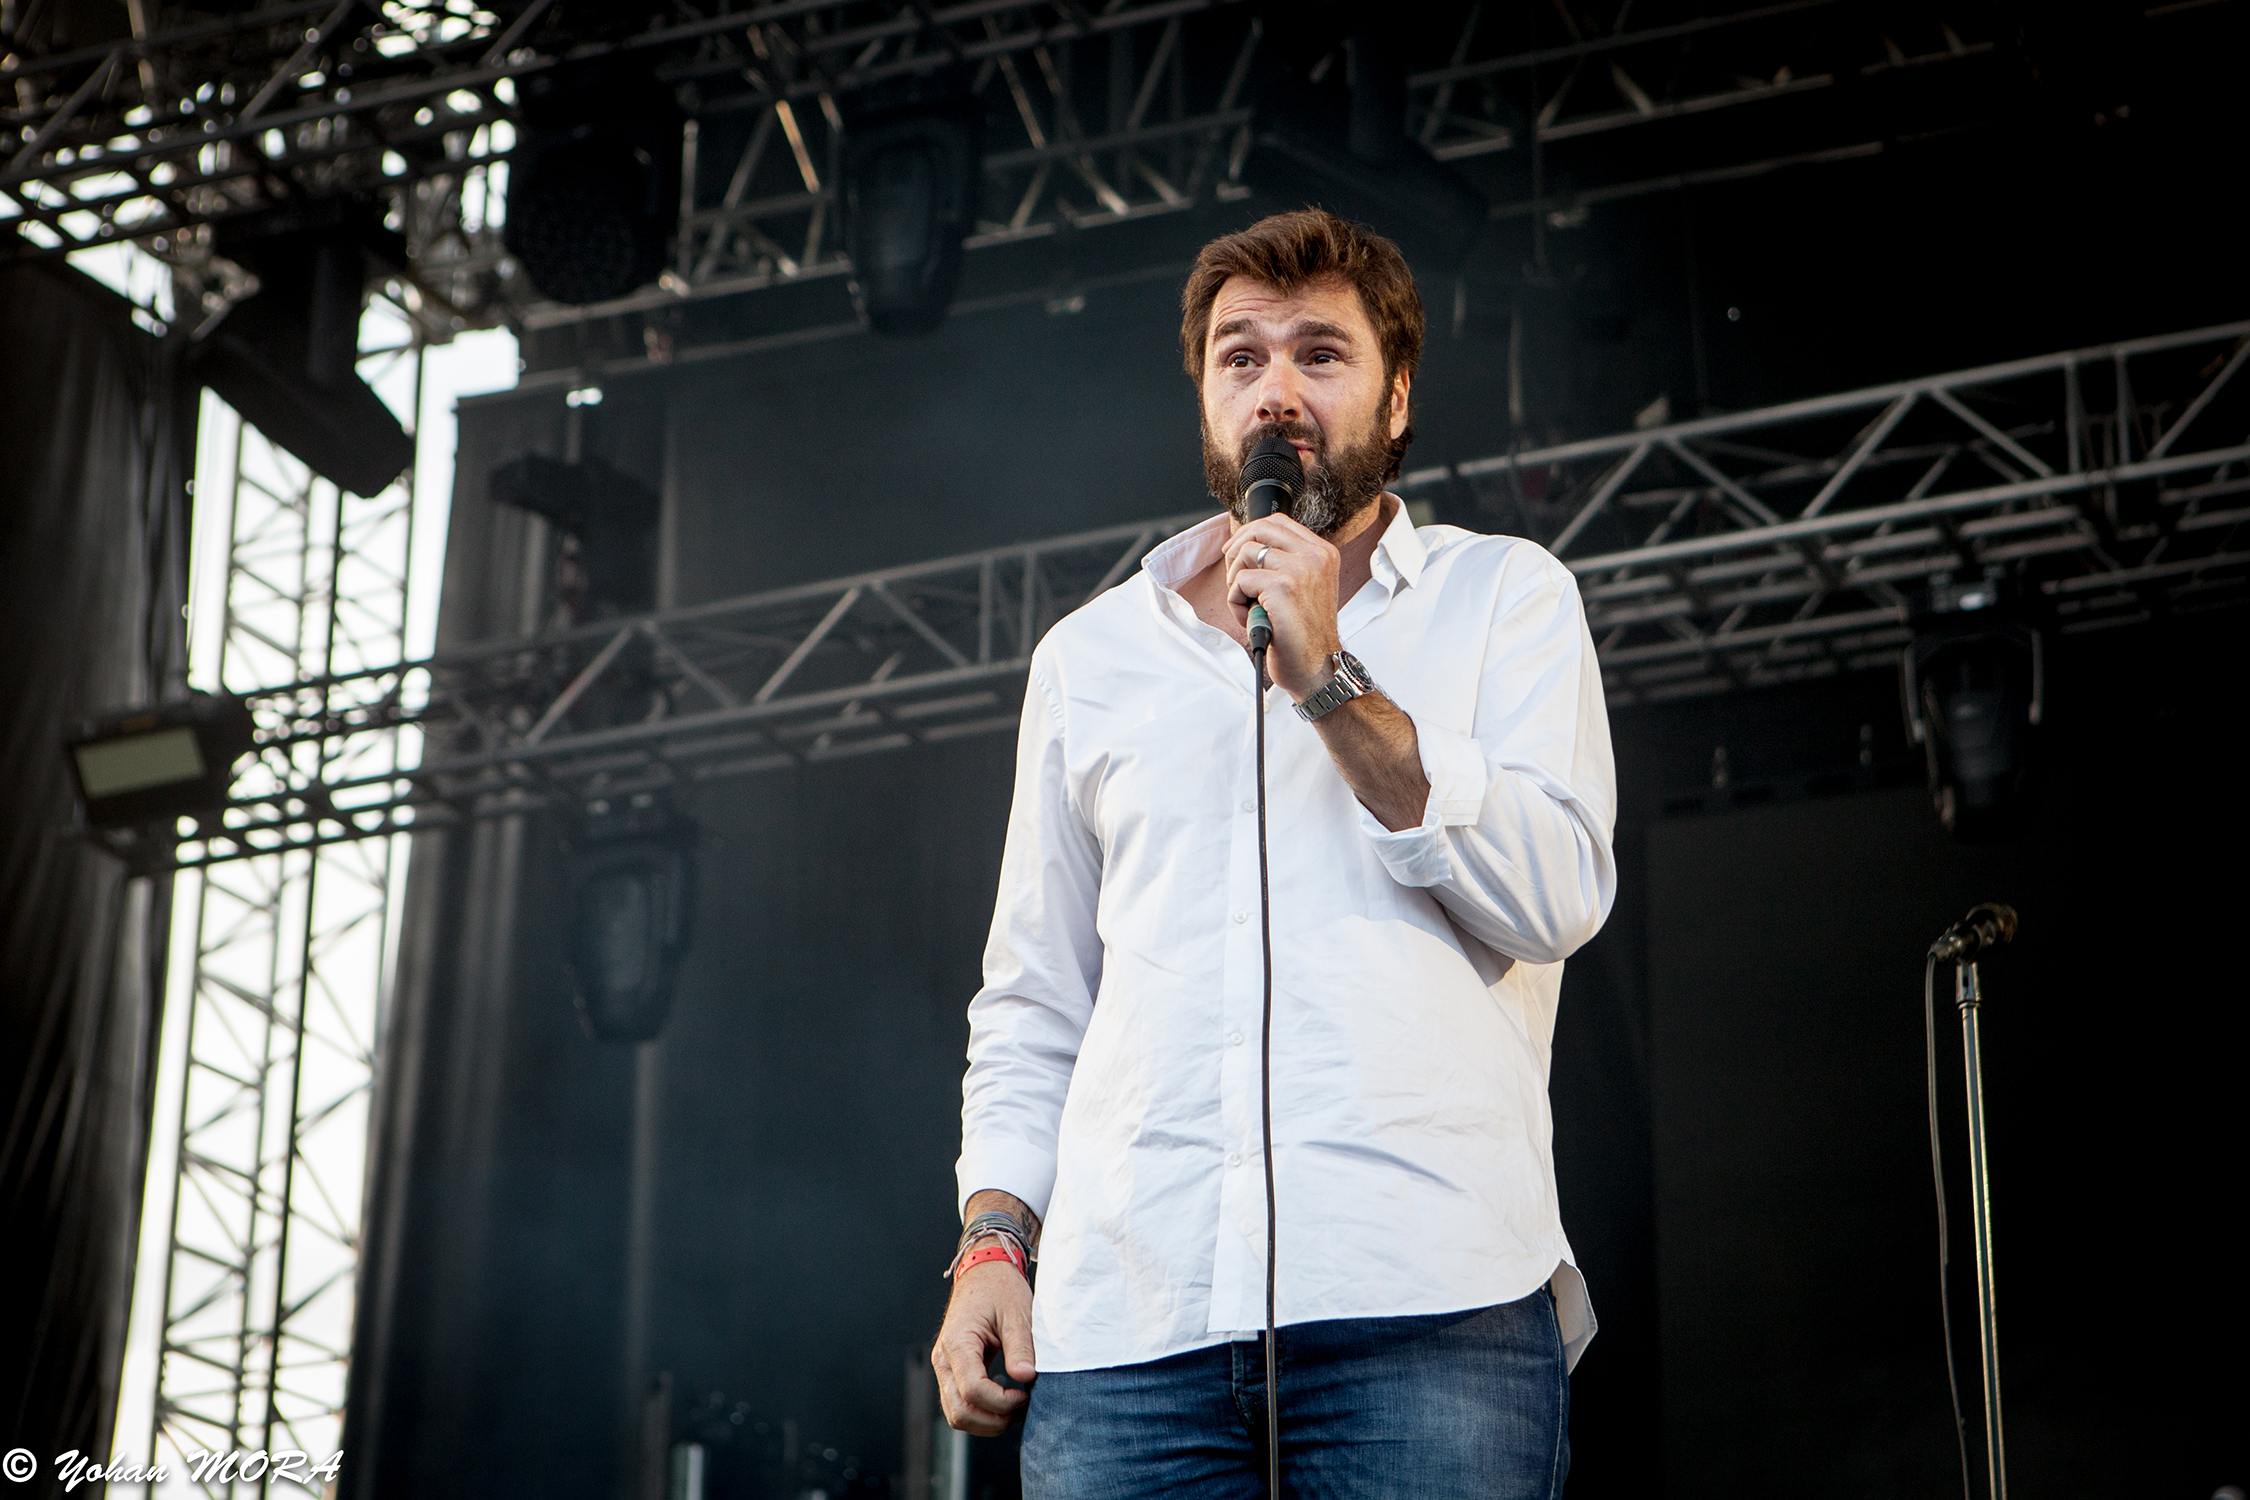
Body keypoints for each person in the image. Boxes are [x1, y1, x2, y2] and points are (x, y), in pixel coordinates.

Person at [933, 208, 1617, 1498]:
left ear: (1397, 396)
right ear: (1205, 398)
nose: (1277, 392)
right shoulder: (1091, 657)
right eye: (1241, 357)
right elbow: (1034, 1002)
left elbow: (1559, 893)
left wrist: (1329, 676)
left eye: (1321, 354)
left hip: (1424, 1306)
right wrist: (992, 1248)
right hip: (1130, 1332)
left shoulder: (1504, 596)